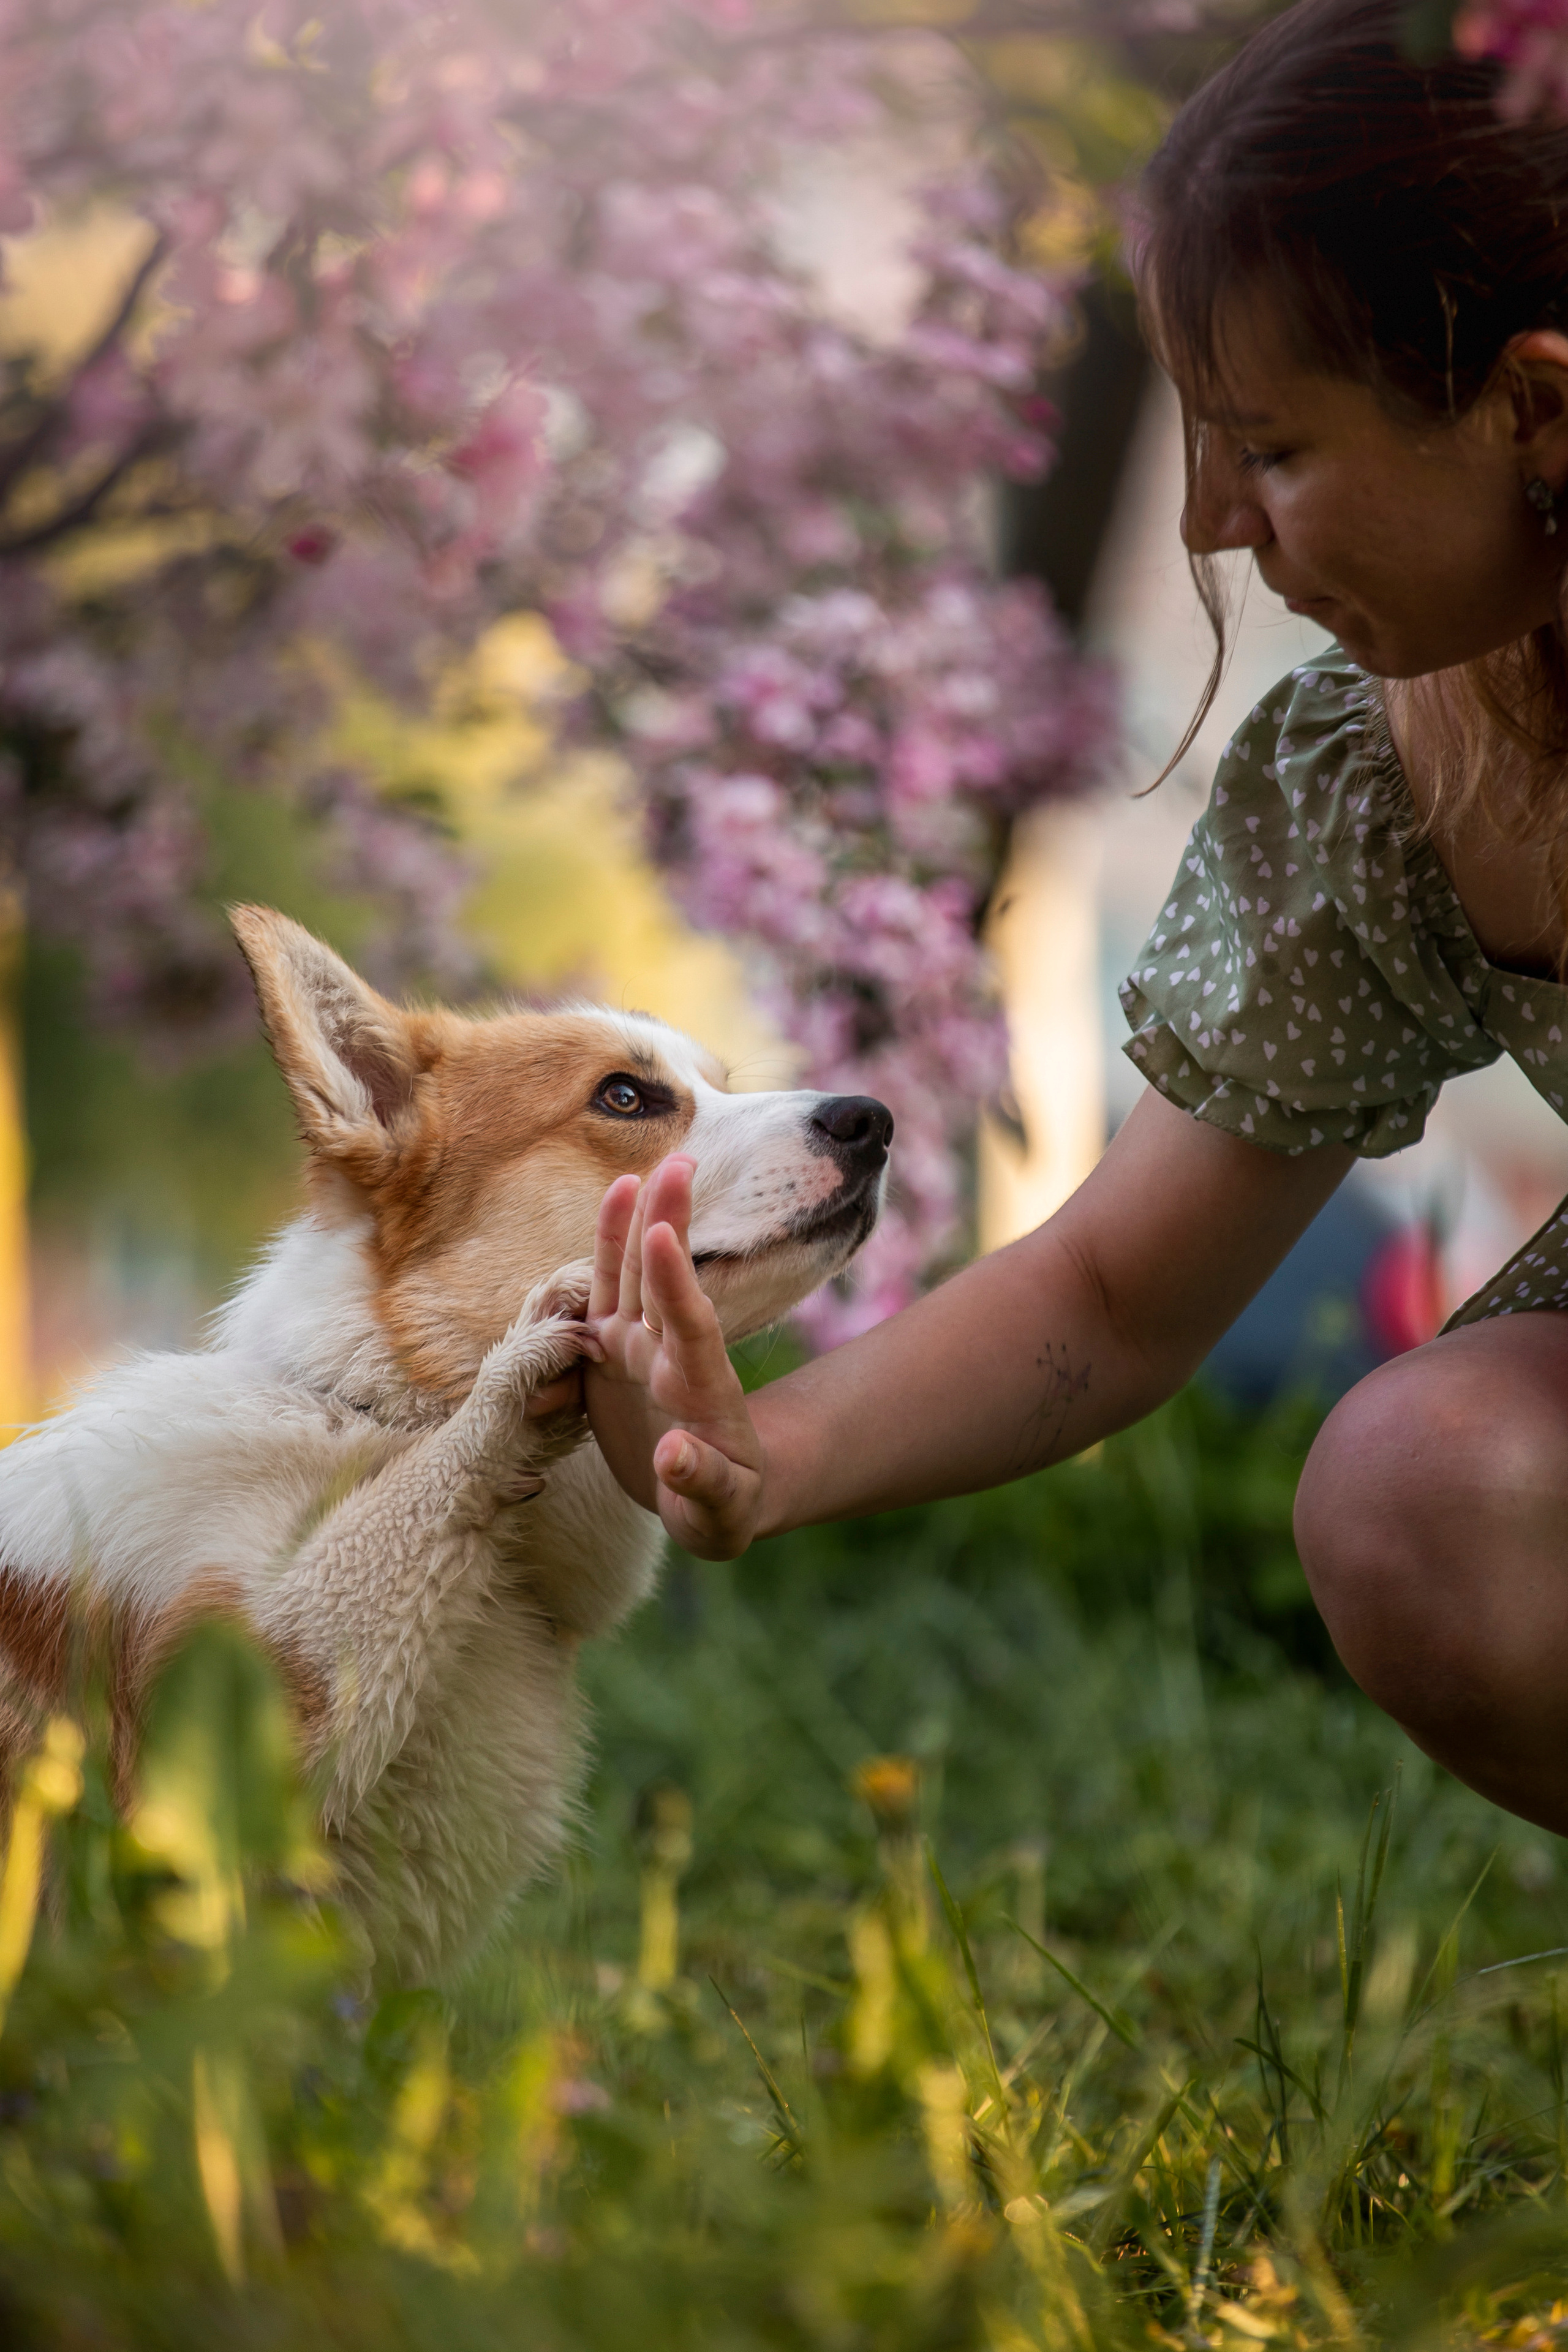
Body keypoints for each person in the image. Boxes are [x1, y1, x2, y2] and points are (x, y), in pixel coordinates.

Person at [578, 0, 1568, 1839]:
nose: (1207, 518)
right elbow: (1110, 1296)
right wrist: (759, 1448)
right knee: (1421, 1489)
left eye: (1270, 447)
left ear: (1533, 408)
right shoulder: (1393, 776)